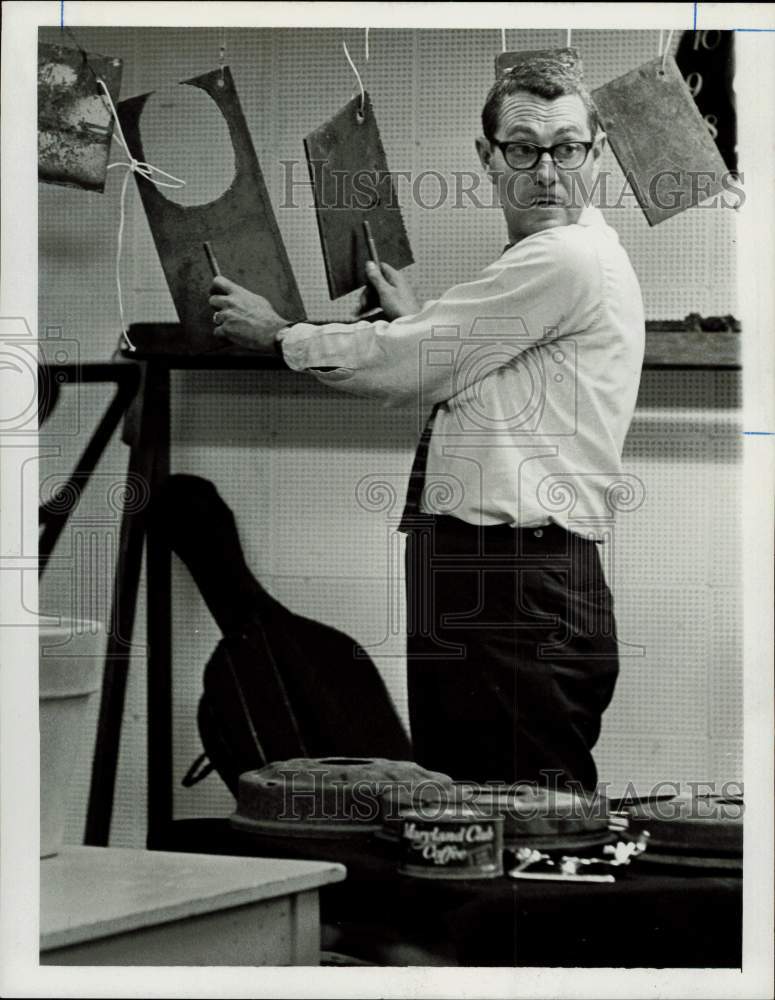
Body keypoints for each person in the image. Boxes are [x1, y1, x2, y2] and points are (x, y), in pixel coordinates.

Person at [208, 55, 645, 793]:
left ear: (596, 153)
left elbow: (409, 366)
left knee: (512, 828)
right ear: (487, 157)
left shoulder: (567, 256)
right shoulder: (548, 260)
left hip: (514, 582)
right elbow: (470, 372)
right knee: (469, 819)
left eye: (567, 148)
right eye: (521, 149)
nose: (545, 171)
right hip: (494, 576)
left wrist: (280, 336)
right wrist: (419, 325)